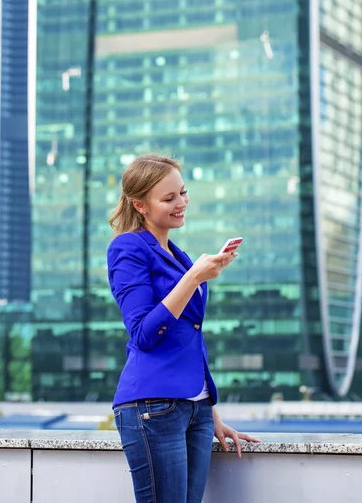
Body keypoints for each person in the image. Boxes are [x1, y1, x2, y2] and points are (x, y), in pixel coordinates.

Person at [107, 153, 260, 503]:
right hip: (153, 404)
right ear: (140, 205)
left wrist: (208, 407)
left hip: (195, 409)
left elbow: (190, 336)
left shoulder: (180, 256)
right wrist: (193, 279)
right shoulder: (127, 248)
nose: (181, 203)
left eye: (183, 192)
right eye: (169, 198)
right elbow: (144, 333)